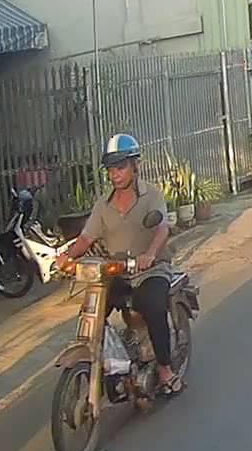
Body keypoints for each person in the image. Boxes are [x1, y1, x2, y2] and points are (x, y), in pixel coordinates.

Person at [54, 134, 183, 397]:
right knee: (92, 313)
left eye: (120, 167)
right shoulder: (104, 204)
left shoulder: (151, 195)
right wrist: (67, 256)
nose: (115, 174)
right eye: (111, 169)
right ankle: (112, 362)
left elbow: (161, 229)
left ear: (135, 165)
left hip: (151, 270)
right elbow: (86, 238)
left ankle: (165, 370)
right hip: (117, 271)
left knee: (153, 307)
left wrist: (150, 253)